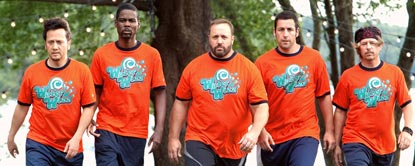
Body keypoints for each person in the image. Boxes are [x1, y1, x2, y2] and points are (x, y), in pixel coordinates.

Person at [167, 18, 269, 166]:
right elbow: (181, 103)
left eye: (224, 37)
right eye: (215, 37)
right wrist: (173, 138)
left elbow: (261, 106)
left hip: (235, 145)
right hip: (199, 138)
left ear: (232, 39)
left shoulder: (248, 69)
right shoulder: (193, 67)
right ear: (209, 38)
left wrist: (255, 132)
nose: (219, 41)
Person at [6, 17, 96, 166]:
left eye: (59, 42)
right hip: (39, 144)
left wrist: (77, 137)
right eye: (51, 42)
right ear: (45, 45)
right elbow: (22, 107)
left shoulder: (82, 71)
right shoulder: (32, 72)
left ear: (68, 44)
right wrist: (11, 137)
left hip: (70, 147)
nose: (55, 46)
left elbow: (88, 107)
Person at [88, 2, 166, 166]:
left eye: (131, 21)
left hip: (136, 132)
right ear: (116, 24)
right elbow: (95, 91)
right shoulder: (102, 55)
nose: (127, 24)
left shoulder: (152, 55)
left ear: (138, 24)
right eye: (123, 20)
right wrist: (88, 117)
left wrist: (159, 130)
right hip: (107, 128)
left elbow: (160, 92)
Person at [254, 10, 335, 166]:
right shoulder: (262, 63)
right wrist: (260, 132)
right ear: (274, 32)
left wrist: (329, 131)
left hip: (304, 133)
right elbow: (254, 103)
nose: (285, 34)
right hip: (271, 137)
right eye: (281, 30)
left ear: (297, 32)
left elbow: (324, 96)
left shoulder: (314, 58)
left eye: (290, 29)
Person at [332, 26, 414, 166]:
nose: (368, 47)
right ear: (358, 48)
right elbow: (340, 112)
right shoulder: (348, 76)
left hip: (386, 145)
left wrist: (407, 130)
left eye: (372, 43)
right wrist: (337, 145)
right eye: (364, 44)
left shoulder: (395, 73)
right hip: (355, 140)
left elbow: (407, 105)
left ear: (380, 45)